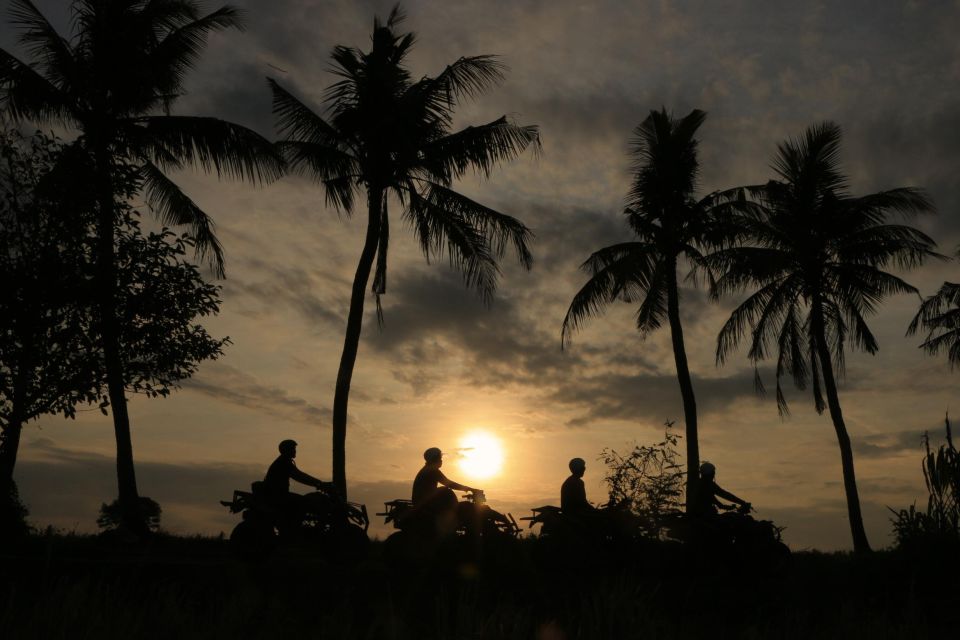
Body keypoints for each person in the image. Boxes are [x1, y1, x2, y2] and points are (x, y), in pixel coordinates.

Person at [262, 439, 333, 533]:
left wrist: (319, 483)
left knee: (305, 501)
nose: (295, 451)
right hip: (278, 495)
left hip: (279, 494)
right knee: (305, 502)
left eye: (294, 449)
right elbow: (299, 476)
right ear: (286, 450)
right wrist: (320, 483)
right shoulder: (284, 462)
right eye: (293, 449)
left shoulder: (285, 461)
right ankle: (294, 529)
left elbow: (300, 475)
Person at [411, 447, 480, 533]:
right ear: (434, 459)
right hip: (427, 504)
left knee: (445, 491)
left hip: (425, 503)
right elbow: (449, 483)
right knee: (446, 491)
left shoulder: (427, 469)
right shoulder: (432, 470)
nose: (441, 460)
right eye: (439, 458)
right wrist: (469, 489)